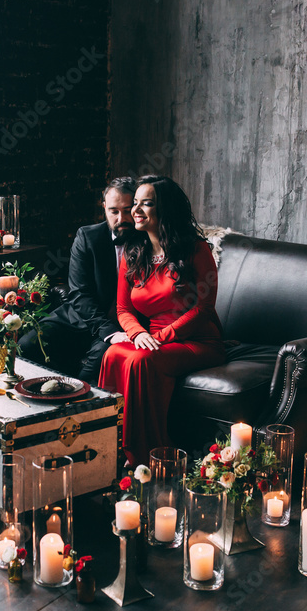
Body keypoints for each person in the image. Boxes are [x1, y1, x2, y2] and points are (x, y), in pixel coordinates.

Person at [98, 175, 225, 466]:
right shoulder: (133, 252)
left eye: (147, 204)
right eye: (136, 204)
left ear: (164, 209)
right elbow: (122, 309)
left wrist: (161, 337)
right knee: (113, 354)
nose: (136, 211)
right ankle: (110, 448)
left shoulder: (195, 249)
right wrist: (138, 333)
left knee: (140, 361)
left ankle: (148, 454)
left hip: (198, 340)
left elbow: (204, 308)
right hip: (152, 339)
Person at [19, 177, 136, 382]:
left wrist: (112, 332)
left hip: (122, 325)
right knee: (25, 346)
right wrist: (105, 330)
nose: (121, 218)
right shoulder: (88, 237)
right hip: (78, 318)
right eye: (114, 211)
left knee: (90, 374)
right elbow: (79, 293)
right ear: (104, 208)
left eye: (127, 210)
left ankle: (75, 406)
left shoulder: (147, 240)